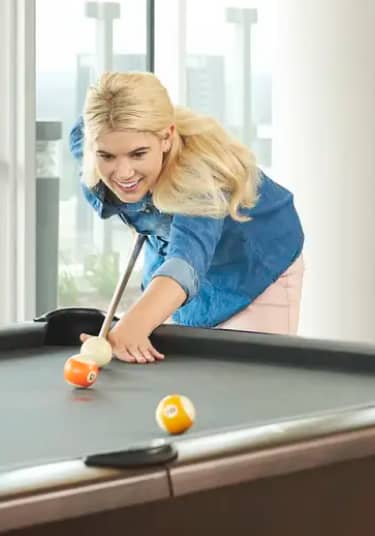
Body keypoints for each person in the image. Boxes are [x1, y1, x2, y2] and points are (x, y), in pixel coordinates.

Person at [70, 71, 304, 364]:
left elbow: (187, 260)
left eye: (138, 154)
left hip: (252, 260)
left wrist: (133, 324)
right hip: (172, 248)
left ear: (166, 137)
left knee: (249, 381)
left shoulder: (199, 176)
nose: (123, 172)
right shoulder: (88, 138)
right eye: (107, 156)